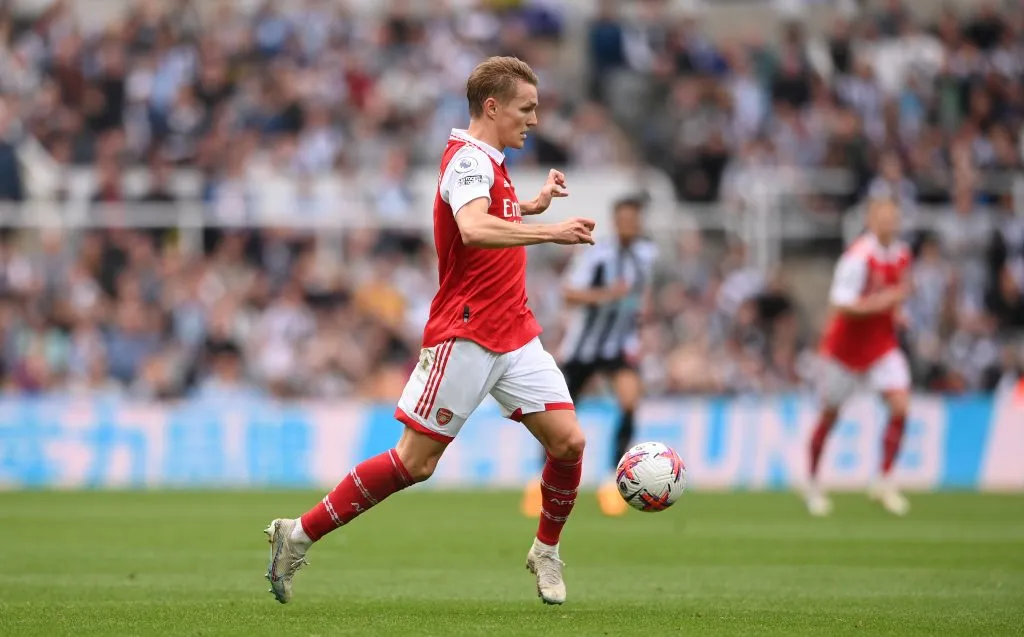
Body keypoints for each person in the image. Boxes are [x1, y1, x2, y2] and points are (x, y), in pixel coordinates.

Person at [263, 56, 598, 606]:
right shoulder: (467, 160)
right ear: (492, 107)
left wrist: (531, 203)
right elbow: (472, 227)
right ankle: (296, 534)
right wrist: (550, 229)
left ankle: (546, 550)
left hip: (514, 331)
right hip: (465, 334)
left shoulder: (492, 161)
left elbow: (494, 216)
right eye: (527, 108)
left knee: (569, 442)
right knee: (414, 463)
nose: (535, 120)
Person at [520, 196, 656, 517]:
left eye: (635, 220)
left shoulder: (646, 256)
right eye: (625, 219)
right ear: (616, 221)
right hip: (582, 348)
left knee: (630, 401)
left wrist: (638, 319)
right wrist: (607, 296)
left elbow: (642, 294)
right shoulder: (597, 255)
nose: (630, 225)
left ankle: (613, 479)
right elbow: (568, 292)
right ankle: (539, 482)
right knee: (559, 420)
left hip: (617, 347)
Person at [805, 198, 913, 517]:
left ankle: (883, 479)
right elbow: (841, 305)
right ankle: (812, 483)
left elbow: (895, 296)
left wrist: (896, 313)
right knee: (830, 416)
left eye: (893, 217)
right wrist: (884, 303)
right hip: (845, 351)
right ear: (870, 219)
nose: (889, 223)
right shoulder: (857, 258)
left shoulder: (902, 254)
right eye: (883, 217)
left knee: (901, 406)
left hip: (881, 346)